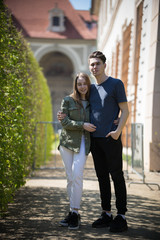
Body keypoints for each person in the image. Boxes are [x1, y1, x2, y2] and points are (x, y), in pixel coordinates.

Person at [88, 51, 129, 233]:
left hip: (110, 139)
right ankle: (106, 213)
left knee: (117, 176)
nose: (94, 67)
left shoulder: (115, 84)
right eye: (91, 64)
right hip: (95, 141)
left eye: (97, 63)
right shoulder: (90, 88)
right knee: (101, 177)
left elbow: (125, 110)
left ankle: (121, 216)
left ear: (105, 65)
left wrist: (117, 131)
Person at [58, 73, 96, 230]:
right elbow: (64, 122)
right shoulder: (68, 100)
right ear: (76, 85)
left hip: (83, 142)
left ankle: (75, 212)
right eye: (79, 84)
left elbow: (101, 115)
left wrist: (116, 118)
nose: (82, 86)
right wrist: (82, 125)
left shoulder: (94, 102)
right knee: (70, 178)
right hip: (67, 143)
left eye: (84, 83)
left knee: (77, 175)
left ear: (88, 84)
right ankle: (72, 212)